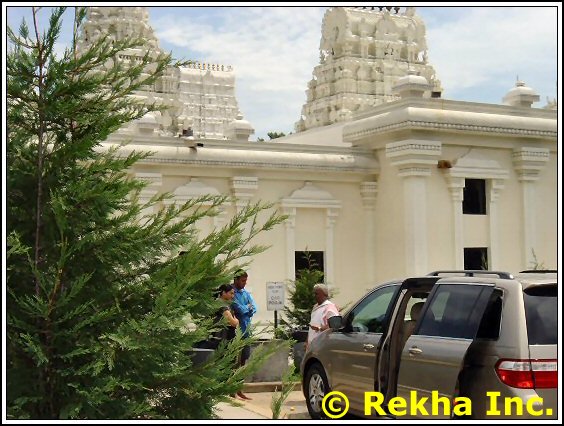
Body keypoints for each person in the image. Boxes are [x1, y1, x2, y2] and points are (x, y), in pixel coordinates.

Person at [230, 269, 257, 400]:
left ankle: (239, 388)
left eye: (246, 281)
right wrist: (247, 308)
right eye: (242, 280)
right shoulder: (232, 293)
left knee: (243, 361)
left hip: (247, 332)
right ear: (236, 280)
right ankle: (231, 389)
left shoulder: (246, 293)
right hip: (236, 332)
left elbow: (254, 307)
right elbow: (238, 309)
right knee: (234, 361)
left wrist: (247, 309)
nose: (245, 283)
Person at [210, 284, 239, 348]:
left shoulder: (225, 304)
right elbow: (233, 323)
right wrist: (236, 321)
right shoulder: (221, 305)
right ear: (223, 292)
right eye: (231, 293)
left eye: (233, 294)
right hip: (221, 339)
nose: (232, 296)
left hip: (223, 338)